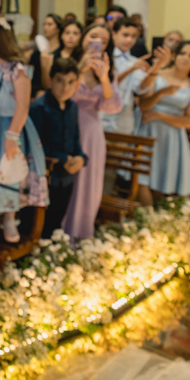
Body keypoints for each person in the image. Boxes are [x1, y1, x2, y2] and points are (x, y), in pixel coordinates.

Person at [0, 21, 46, 243]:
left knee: (9, 170)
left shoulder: (18, 70)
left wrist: (12, 135)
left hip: (10, 126)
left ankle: (9, 217)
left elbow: (23, 106)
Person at [62, 23, 119, 240]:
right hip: (66, 127)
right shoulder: (69, 63)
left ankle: (81, 233)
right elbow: (61, 93)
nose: (97, 42)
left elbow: (111, 107)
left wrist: (104, 77)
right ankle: (58, 233)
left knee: (88, 185)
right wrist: (80, 69)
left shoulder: (108, 69)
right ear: (84, 37)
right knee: (66, 183)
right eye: (93, 36)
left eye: (103, 41)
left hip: (92, 132)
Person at [136, 40, 190, 197]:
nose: (185, 58)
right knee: (141, 179)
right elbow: (144, 106)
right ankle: (147, 216)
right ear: (174, 56)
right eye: (182, 53)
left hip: (172, 137)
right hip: (148, 130)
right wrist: (160, 94)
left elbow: (189, 121)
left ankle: (158, 218)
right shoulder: (157, 75)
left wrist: (159, 115)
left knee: (164, 182)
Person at [29, 57, 84, 237]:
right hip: (43, 178)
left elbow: (75, 139)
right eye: (59, 81)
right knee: (35, 224)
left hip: (66, 178)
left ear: (77, 84)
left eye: (70, 82)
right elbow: (33, 145)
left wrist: (81, 158)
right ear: (50, 80)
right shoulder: (39, 107)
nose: (64, 87)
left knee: (56, 220)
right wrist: (63, 158)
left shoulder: (73, 108)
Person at [103, 17, 146, 135]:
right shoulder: (105, 57)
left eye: (134, 36)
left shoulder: (135, 61)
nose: (129, 40)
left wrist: (154, 70)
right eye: (125, 35)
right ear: (114, 34)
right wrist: (131, 70)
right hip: (102, 119)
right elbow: (109, 84)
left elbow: (140, 89)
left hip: (123, 122)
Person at [29, 13, 62, 97]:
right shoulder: (38, 50)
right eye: (44, 24)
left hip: (49, 92)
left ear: (58, 28)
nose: (45, 27)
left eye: (49, 24)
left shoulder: (61, 53)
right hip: (33, 90)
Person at [41, 18, 81, 84]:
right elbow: (47, 83)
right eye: (67, 33)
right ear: (62, 35)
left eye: (75, 33)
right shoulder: (52, 56)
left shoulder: (82, 57)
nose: (71, 36)